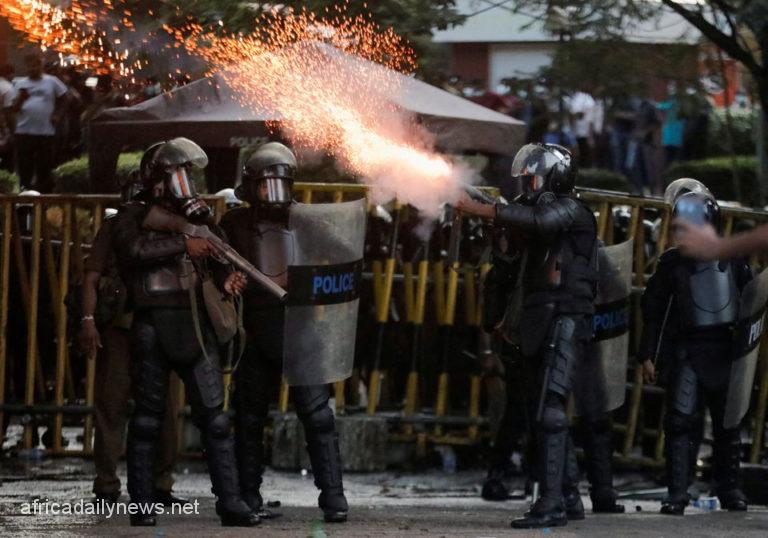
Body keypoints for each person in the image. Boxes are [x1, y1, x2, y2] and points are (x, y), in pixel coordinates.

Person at [457, 143, 622, 528]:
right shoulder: (534, 217)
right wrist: (497, 234)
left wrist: (484, 208)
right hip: (538, 321)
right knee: (541, 414)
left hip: (567, 316)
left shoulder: (573, 210)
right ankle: (566, 498)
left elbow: (541, 221)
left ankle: (551, 505)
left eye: (532, 176)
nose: (526, 184)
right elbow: (505, 271)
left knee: (551, 412)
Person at [112, 138, 257, 527]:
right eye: (174, 175)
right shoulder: (132, 213)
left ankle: (230, 502)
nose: (182, 183)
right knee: (146, 420)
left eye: (185, 175)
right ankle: (141, 505)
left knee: (215, 420)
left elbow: (220, 252)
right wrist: (182, 242)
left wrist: (227, 282)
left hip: (194, 325)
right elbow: (132, 250)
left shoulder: (200, 218)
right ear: (156, 179)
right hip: (153, 322)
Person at [220, 142, 349, 523]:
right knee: (248, 418)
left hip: (302, 328)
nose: (274, 193)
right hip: (257, 329)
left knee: (319, 417)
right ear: (252, 186)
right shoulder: (235, 225)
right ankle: (248, 495)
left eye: (281, 184)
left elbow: (343, 252)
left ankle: (334, 498)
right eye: (266, 185)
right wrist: (229, 278)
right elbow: (215, 265)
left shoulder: (304, 220)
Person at [639, 188, 750, 515]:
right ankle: (677, 491)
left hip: (725, 349)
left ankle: (729, 488)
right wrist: (650, 354)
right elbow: (654, 309)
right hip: (686, 350)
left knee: (728, 426)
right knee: (679, 423)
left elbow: (750, 303)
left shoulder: (733, 260)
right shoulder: (672, 264)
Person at [79, 174, 187, 507]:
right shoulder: (115, 230)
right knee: (112, 406)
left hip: (159, 327)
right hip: (122, 328)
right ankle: (108, 483)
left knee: (164, 410)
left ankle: (160, 484)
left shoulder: (170, 227)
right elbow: (93, 277)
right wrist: (88, 321)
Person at [8, 53, 68, 192]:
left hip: (45, 132)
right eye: (30, 66)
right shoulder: (20, 84)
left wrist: (58, 114)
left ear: (40, 65)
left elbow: (65, 98)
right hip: (24, 132)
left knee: (44, 168)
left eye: (35, 65)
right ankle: (25, 198)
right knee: (25, 168)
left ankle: (44, 198)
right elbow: (13, 109)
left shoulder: (52, 81)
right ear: (26, 67)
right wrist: (21, 98)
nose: (32, 68)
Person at [0, 64, 14, 172]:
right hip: (3, 130)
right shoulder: (8, 88)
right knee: (7, 161)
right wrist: (13, 131)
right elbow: (9, 112)